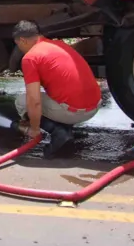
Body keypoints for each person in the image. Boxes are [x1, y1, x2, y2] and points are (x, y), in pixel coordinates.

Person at [11, 20, 102, 157]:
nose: (20, 49)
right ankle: (66, 127)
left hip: (75, 112)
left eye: (18, 45)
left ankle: (58, 132)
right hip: (94, 107)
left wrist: (34, 129)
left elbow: (34, 100)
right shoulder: (59, 45)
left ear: (22, 40)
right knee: (56, 94)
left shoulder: (30, 58)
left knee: (22, 101)